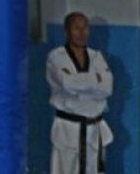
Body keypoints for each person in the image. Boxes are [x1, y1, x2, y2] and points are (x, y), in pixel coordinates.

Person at [47, 12, 113, 174]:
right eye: (76, 28)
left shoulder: (96, 56)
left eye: (85, 28)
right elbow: (67, 83)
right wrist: (95, 79)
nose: (82, 33)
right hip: (68, 128)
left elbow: (107, 87)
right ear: (66, 30)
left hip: (94, 128)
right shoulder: (56, 57)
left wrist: (80, 85)